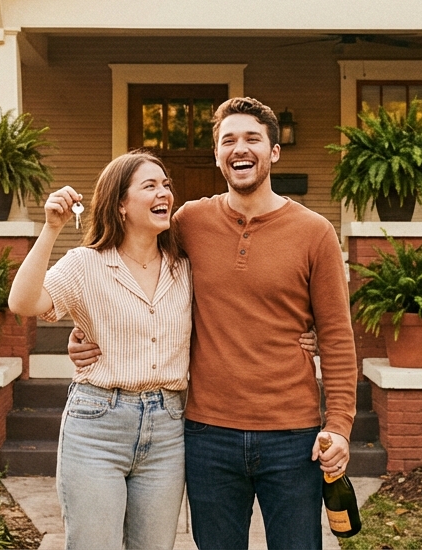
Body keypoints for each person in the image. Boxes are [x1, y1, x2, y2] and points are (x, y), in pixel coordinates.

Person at [71, 97, 358, 550]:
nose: (239, 148)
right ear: (217, 154)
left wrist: (338, 425)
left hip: (293, 435)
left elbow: (339, 339)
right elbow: (134, 268)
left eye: (252, 139)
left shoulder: (315, 232)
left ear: (274, 152)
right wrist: (89, 331)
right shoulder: (188, 222)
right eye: (228, 140)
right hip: (207, 435)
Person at [8, 152, 190, 550]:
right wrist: (51, 228)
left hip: (168, 428)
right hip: (97, 425)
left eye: (166, 185)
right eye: (150, 186)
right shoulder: (85, 265)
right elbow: (23, 303)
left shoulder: (185, 267)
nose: (164, 193)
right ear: (120, 204)